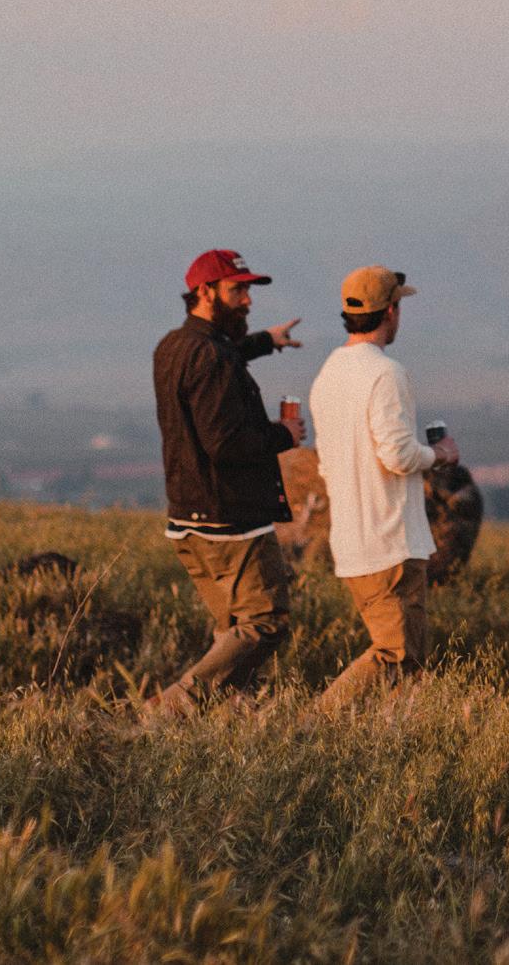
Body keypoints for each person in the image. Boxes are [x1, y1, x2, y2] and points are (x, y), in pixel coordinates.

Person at [147, 248, 305, 717]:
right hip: (230, 521)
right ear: (204, 291)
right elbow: (226, 443)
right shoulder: (212, 358)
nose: (248, 300)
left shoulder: (173, 347)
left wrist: (266, 341)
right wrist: (284, 435)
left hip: (189, 519)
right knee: (266, 621)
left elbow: (222, 355)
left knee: (232, 631)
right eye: (237, 290)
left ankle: (223, 724)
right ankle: (172, 708)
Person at [308, 264, 458, 707]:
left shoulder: (328, 374)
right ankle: (311, 727)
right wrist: (440, 455)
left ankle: (373, 736)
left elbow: (328, 463)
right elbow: (397, 455)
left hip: (352, 540)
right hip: (390, 540)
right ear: (391, 311)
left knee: (402, 664)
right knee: (397, 655)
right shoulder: (386, 373)